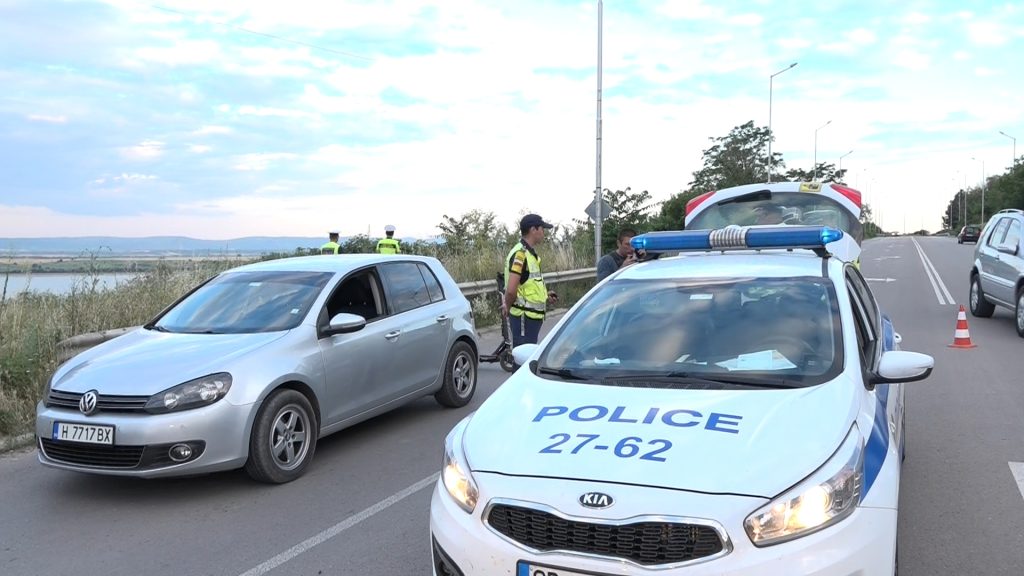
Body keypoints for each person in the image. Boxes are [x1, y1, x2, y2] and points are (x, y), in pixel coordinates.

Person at [501, 214, 558, 347]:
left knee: (527, 354)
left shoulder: (529, 254)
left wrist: (545, 296)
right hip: (523, 318)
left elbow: (528, 284)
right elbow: (511, 290)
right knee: (522, 356)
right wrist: (507, 306)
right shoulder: (520, 254)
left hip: (530, 319)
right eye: (542, 228)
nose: (544, 232)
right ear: (533, 230)